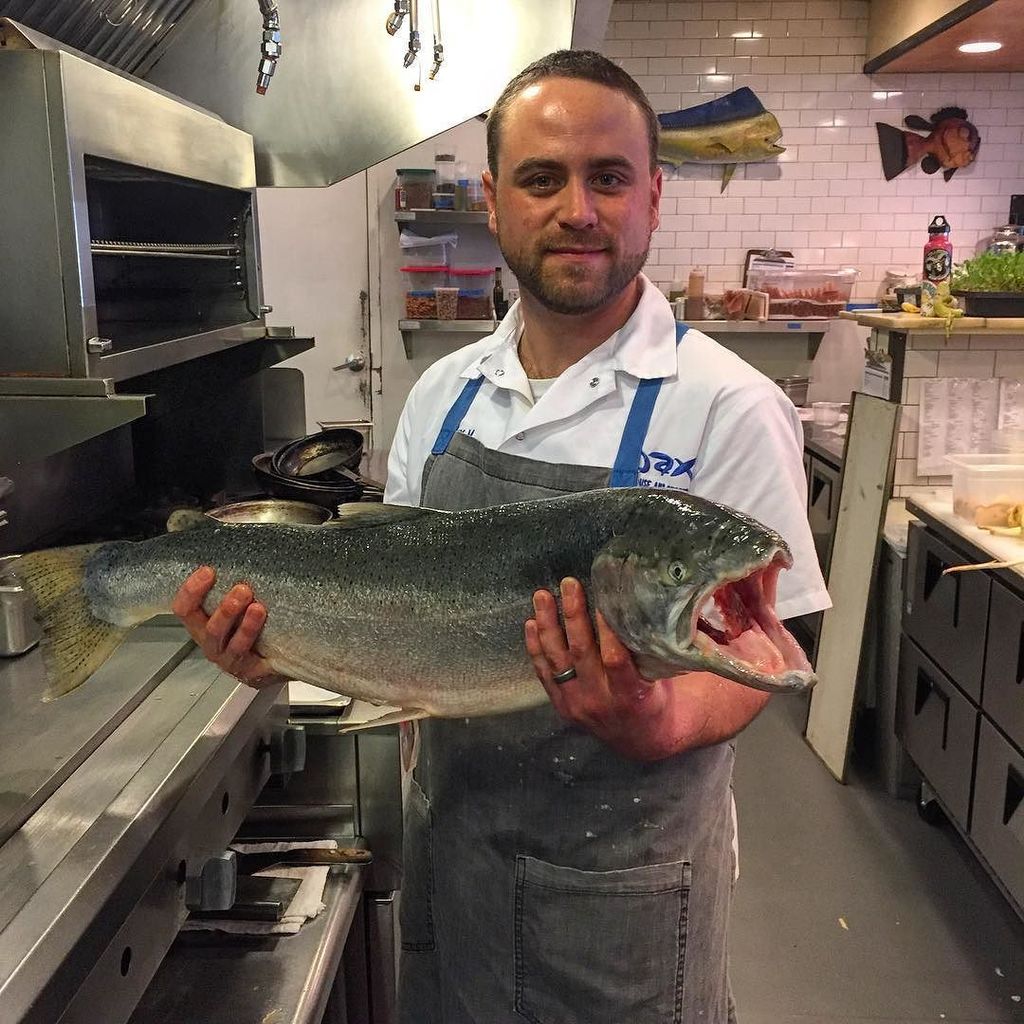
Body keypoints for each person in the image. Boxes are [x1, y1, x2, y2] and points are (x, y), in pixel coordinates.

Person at [172, 50, 829, 1023]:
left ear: (652, 192)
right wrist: (289, 649)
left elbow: (766, 651)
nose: (578, 209)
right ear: (492, 199)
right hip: (455, 865)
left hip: (621, 902)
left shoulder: (730, 407)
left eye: (607, 177)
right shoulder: (443, 394)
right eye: (541, 177)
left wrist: (656, 720)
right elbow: (402, 613)